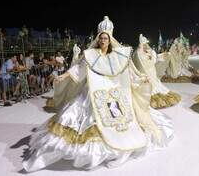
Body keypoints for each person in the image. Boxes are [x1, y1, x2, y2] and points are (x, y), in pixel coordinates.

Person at [23, 16, 173, 172]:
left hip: (112, 93)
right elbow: (78, 69)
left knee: (120, 116)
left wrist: (141, 79)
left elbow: (130, 71)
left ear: (110, 39)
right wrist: (64, 76)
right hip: (92, 92)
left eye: (105, 38)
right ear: (98, 38)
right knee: (81, 114)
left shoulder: (118, 55)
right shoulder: (90, 54)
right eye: (101, 38)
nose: (103, 40)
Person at [133, 34, 181, 109]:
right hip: (146, 73)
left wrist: (162, 55)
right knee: (150, 84)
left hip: (152, 71)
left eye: (146, 44)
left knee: (154, 82)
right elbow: (143, 62)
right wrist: (150, 57)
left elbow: (155, 58)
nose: (146, 45)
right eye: (145, 44)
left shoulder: (147, 52)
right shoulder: (138, 53)